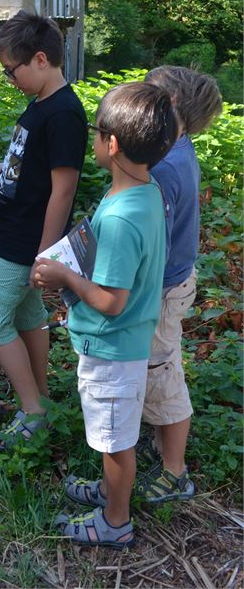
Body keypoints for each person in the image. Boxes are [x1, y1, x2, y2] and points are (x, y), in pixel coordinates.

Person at [34, 82, 177, 548]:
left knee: (115, 442)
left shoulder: (120, 217)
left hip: (112, 349)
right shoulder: (147, 191)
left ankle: (115, 521)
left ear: (110, 145)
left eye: (96, 133)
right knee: (113, 434)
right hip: (127, 342)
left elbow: (111, 301)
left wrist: (65, 277)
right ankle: (109, 491)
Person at [0, 11, 87, 447]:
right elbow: (32, 170)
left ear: (39, 59)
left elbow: (64, 189)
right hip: (19, 232)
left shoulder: (64, 114)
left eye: (11, 70)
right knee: (29, 315)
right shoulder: (40, 104)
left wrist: (46, 252)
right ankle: (44, 401)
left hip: (27, 243)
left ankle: (32, 412)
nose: (8, 78)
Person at [136, 66, 222, 502]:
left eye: (148, 96)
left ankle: (174, 470)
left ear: (170, 107)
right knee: (160, 363)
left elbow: (156, 245)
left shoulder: (166, 167)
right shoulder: (176, 151)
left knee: (162, 372)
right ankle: (160, 442)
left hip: (162, 289)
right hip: (172, 282)